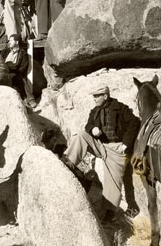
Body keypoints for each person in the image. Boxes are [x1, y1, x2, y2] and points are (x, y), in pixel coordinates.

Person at [60, 86, 140, 221]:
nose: (94, 98)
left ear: (105, 96)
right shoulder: (95, 111)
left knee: (113, 182)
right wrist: (93, 129)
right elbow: (88, 126)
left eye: (97, 96)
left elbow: (135, 123)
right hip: (100, 146)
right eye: (94, 96)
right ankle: (69, 163)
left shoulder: (121, 108)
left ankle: (109, 213)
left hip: (116, 149)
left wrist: (125, 144)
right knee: (82, 135)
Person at [1, 34, 36, 108]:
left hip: (16, 72)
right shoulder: (5, 52)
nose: (9, 42)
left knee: (22, 78)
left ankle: (30, 99)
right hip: (4, 71)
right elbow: (0, 62)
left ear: (16, 42)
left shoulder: (22, 53)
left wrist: (14, 69)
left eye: (11, 40)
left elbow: (23, 67)